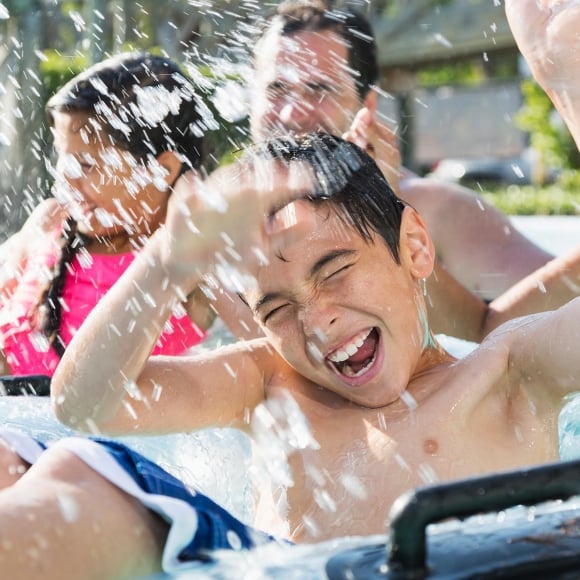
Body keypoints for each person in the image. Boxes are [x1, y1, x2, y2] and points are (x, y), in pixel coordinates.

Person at [0, 128, 577, 578]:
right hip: (276, 568)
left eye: (336, 271)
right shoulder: (269, 383)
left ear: (416, 247)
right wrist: (168, 263)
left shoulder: (508, 371)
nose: (316, 319)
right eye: (275, 310)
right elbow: (83, 404)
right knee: (43, 466)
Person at [245, 0, 580, 343]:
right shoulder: (217, 229)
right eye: (276, 89)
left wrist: (386, 214)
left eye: (319, 90)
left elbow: (565, 313)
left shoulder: (437, 211)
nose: (290, 114)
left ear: (367, 106)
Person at [0, 51, 215, 378]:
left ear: (163, 170)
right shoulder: (50, 225)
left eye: (86, 164)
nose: (65, 178)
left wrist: (188, 210)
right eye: (62, 157)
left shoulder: (192, 268)